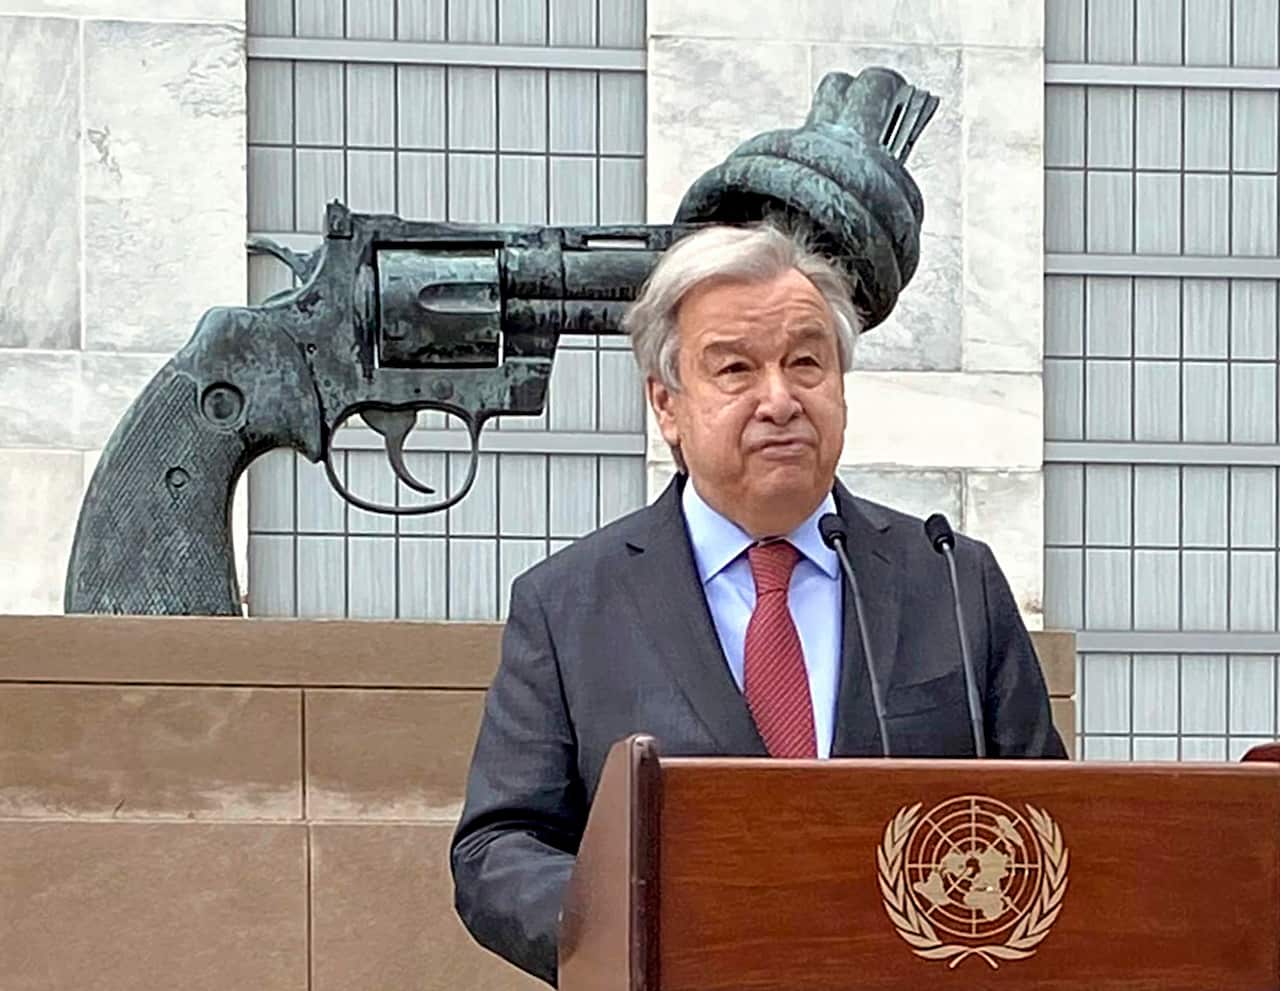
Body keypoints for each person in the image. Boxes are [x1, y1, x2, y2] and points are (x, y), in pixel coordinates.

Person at [449, 222, 1067, 986]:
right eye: (736, 369)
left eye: (806, 362)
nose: (780, 399)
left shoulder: (950, 578)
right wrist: (627, 930)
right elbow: (497, 848)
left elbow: (1050, 822)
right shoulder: (571, 604)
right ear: (667, 405)